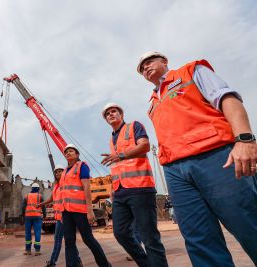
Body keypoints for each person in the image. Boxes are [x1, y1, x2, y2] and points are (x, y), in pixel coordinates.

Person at [138, 51, 257, 266]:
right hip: (176, 172)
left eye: (149, 61)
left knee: (248, 222)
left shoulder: (191, 72)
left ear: (164, 61)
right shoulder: (153, 104)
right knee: (199, 240)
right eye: (141, 68)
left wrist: (245, 139)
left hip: (216, 157)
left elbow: (227, 98)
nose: (145, 67)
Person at [101, 103, 168, 267]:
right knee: (121, 233)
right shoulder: (112, 139)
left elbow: (144, 145)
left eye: (114, 111)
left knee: (149, 237)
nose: (111, 114)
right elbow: (117, 166)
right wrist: (112, 190)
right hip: (120, 192)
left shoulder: (134, 126)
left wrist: (121, 155)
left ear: (121, 114)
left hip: (140, 187)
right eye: (107, 113)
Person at [60, 144, 111, 267]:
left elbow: (87, 187)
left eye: (71, 151)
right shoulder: (65, 171)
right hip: (66, 211)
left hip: (80, 210)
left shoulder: (81, 166)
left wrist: (90, 210)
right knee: (69, 241)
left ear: (77, 154)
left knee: (88, 239)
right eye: (66, 152)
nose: (68, 153)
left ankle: (104, 265)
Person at [39, 165, 82, 267]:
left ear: (64, 172)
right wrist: (41, 204)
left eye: (60, 171)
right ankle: (78, 260)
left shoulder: (65, 185)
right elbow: (51, 198)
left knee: (58, 240)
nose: (58, 173)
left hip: (64, 217)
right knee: (68, 240)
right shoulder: (56, 186)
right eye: (56, 172)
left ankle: (52, 262)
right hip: (59, 217)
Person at [22, 183, 46, 256]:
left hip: (28, 217)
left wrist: (23, 216)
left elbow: (23, 207)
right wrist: (44, 214)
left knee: (28, 233)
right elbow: (43, 206)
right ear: (38, 189)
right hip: (37, 217)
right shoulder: (40, 196)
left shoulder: (27, 196)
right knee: (37, 232)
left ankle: (28, 250)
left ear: (31, 188)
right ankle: (37, 250)